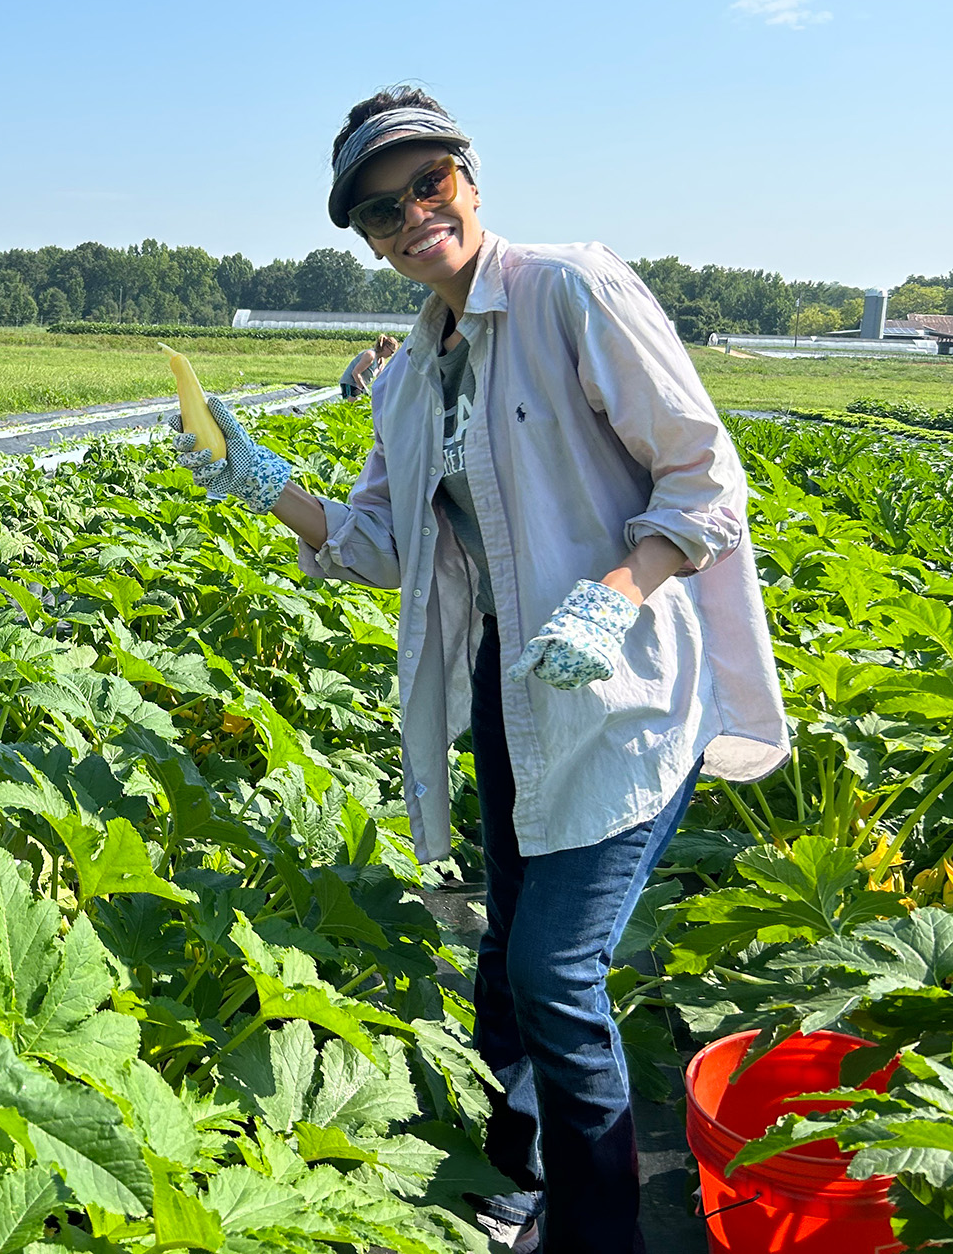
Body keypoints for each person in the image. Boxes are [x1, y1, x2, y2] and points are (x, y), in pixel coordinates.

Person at [173, 88, 788, 1254]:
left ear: (467, 175)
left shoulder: (569, 290)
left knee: (557, 972)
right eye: (376, 208)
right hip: (510, 692)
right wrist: (259, 484)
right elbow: (384, 548)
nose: (410, 216)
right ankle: (519, 1172)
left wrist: (615, 598)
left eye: (425, 184)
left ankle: (597, 1230)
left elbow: (703, 478)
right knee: (505, 948)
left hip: (622, 690)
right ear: (360, 236)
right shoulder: (405, 378)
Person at [339, 333, 401, 400]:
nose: (391, 355)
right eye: (392, 352)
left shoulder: (381, 360)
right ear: (385, 347)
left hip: (360, 386)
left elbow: (381, 377)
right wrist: (364, 389)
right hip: (350, 384)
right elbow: (355, 373)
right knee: (355, 404)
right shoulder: (370, 355)